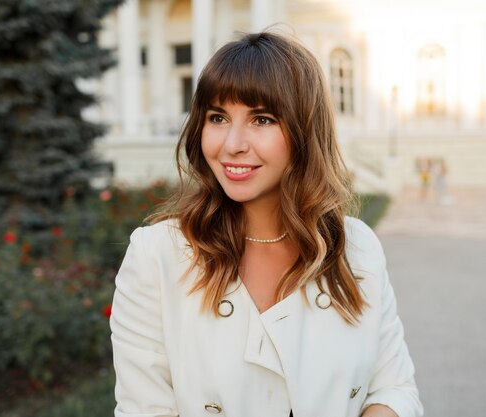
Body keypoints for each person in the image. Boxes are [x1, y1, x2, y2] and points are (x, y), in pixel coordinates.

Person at [110, 32, 423, 417]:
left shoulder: (356, 247)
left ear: (304, 130)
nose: (232, 143)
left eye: (261, 119)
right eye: (217, 117)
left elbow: (394, 389)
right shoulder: (158, 255)